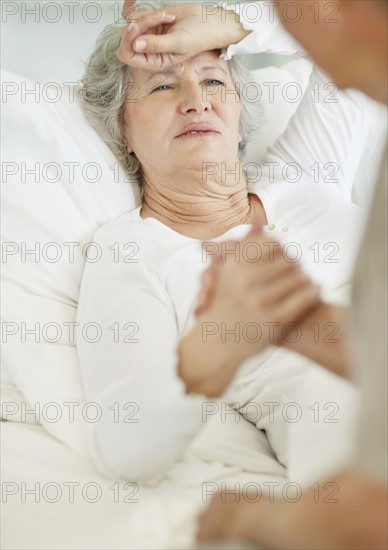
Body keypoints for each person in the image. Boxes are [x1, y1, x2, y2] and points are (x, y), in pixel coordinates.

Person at [116, 1, 387, 547]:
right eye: (164, 87)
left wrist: (228, 23)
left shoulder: (306, 170)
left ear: (240, 110)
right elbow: (128, 440)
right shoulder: (131, 251)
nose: (196, 102)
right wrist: (215, 348)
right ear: (122, 127)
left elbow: (356, 40)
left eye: (215, 80)